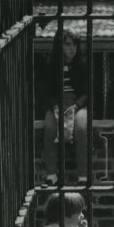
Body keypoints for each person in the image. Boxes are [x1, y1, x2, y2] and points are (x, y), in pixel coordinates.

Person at [42, 29, 89, 186]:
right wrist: (55, 106)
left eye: (75, 45)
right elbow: (47, 92)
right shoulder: (51, 66)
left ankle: (83, 175)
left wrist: (76, 106)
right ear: (60, 46)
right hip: (57, 104)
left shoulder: (82, 65)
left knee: (81, 128)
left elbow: (87, 92)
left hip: (77, 105)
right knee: (49, 127)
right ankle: (51, 175)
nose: (72, 49)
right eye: (68, 44)